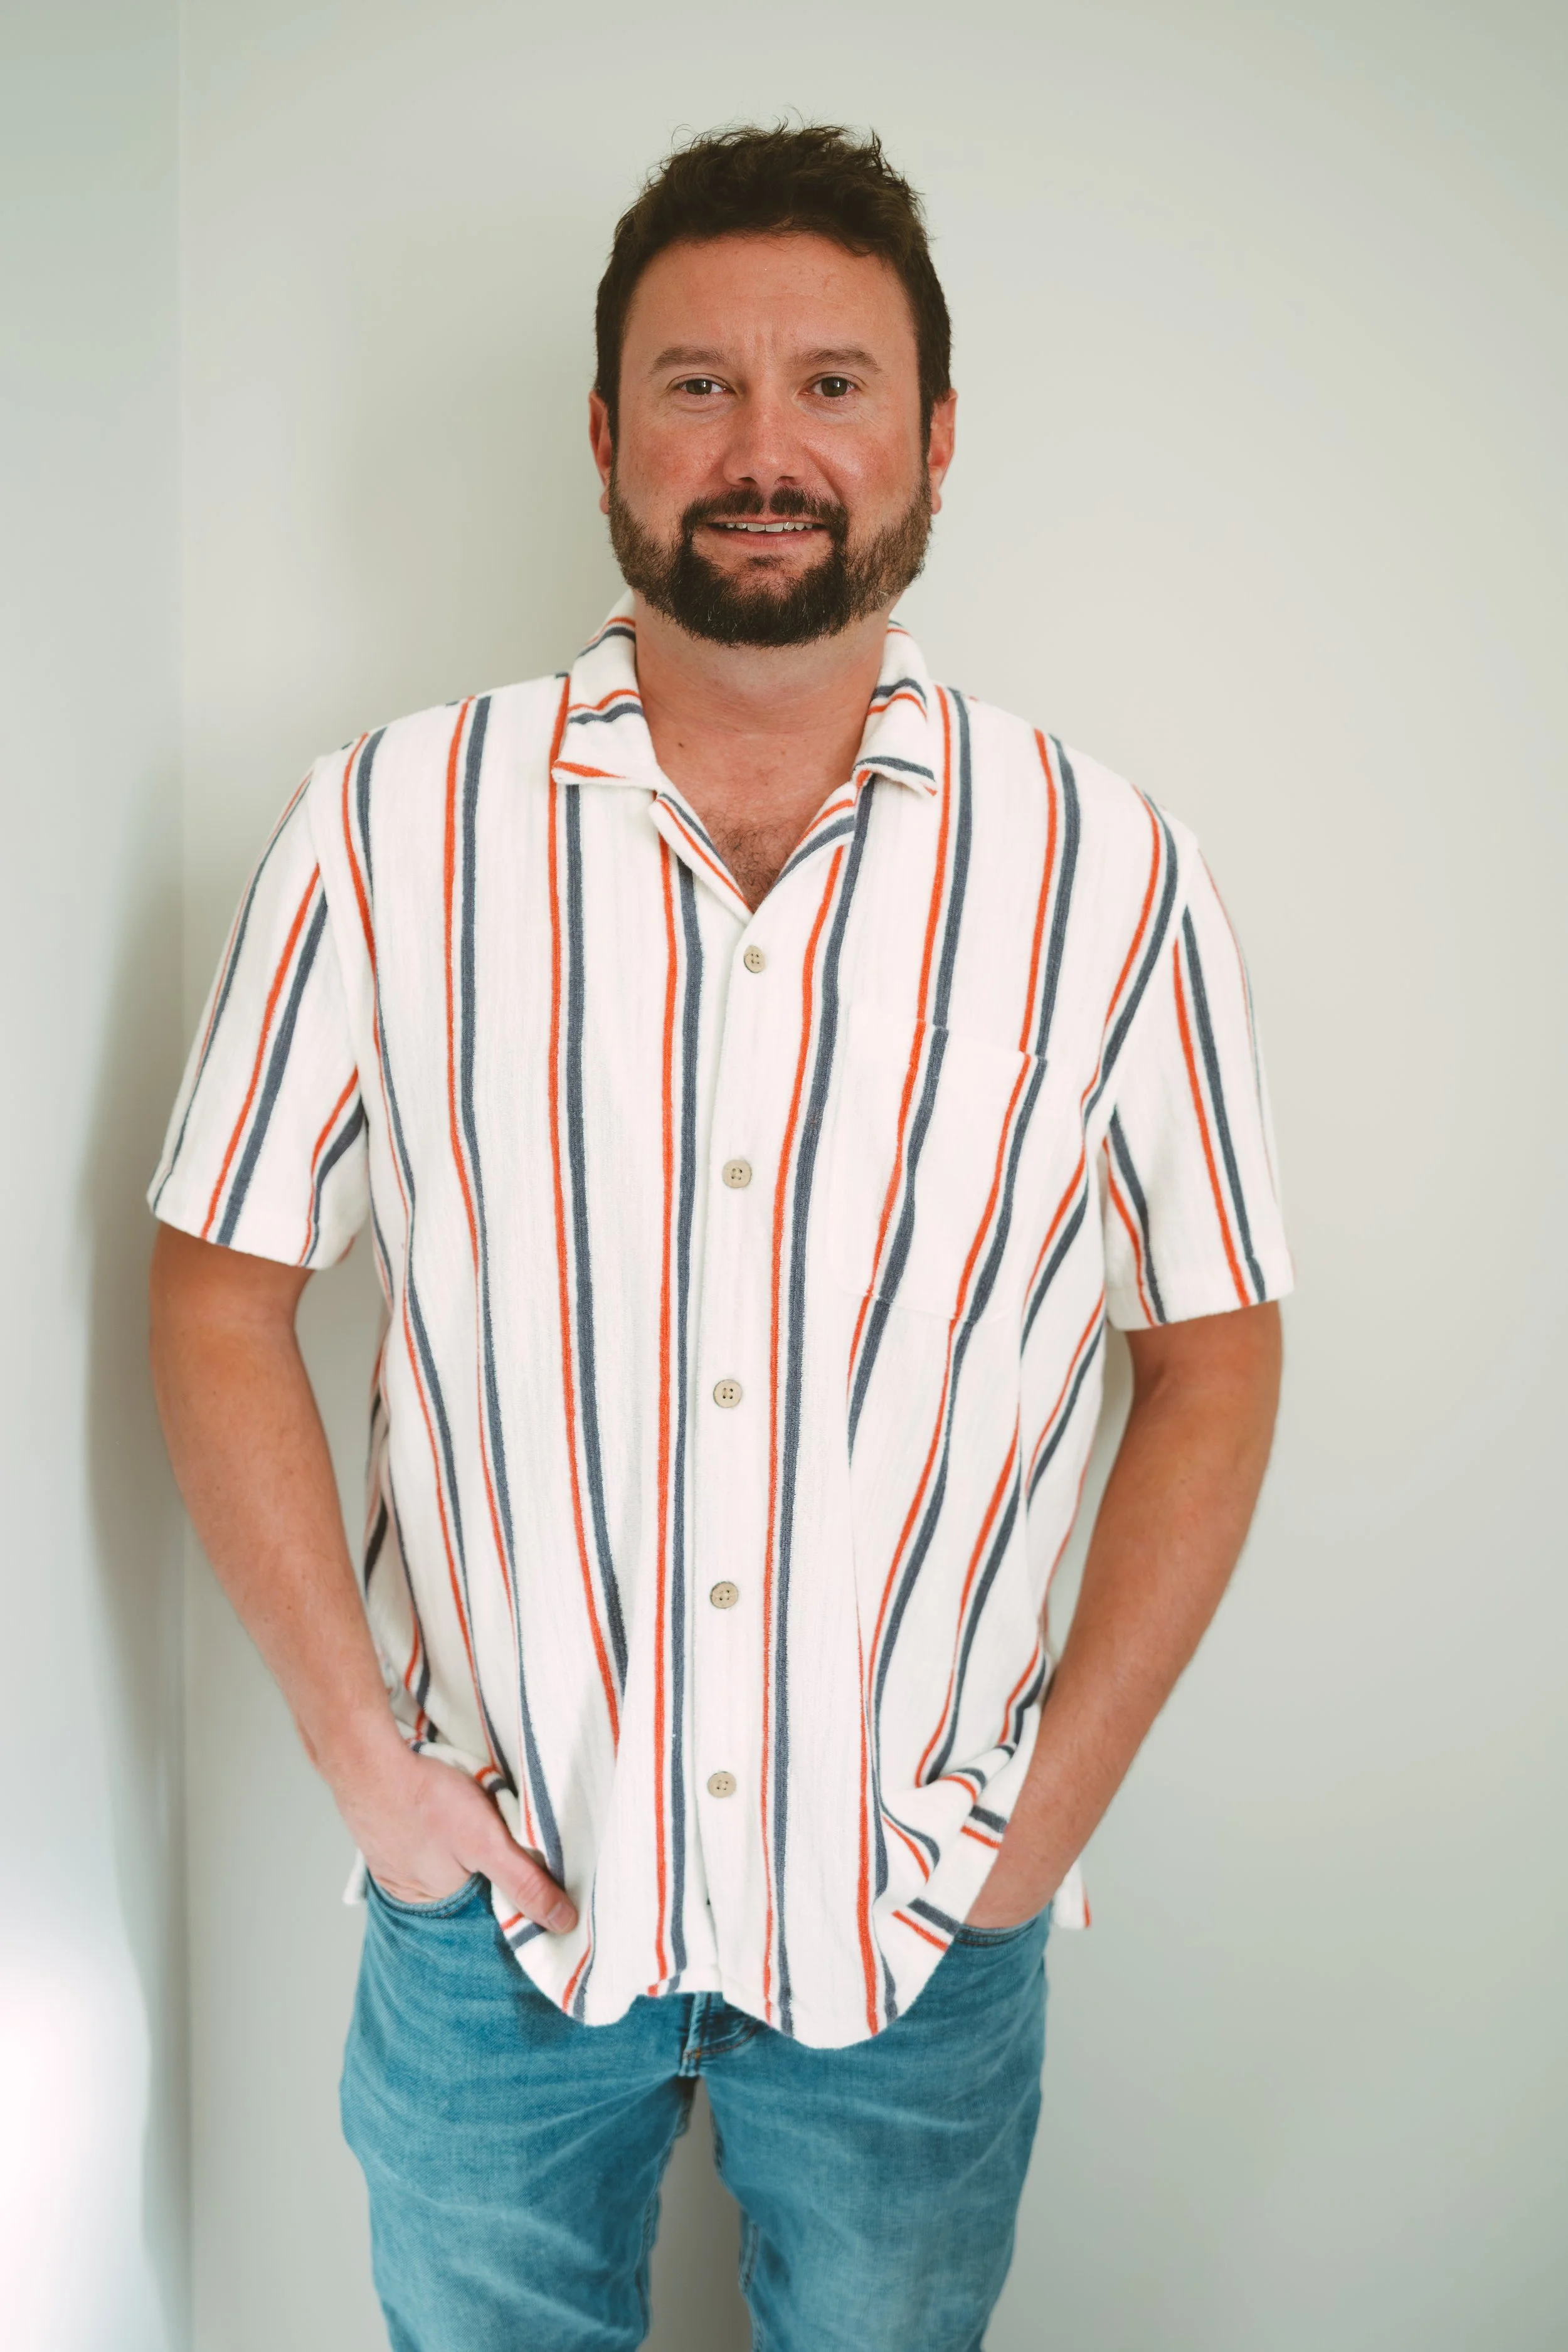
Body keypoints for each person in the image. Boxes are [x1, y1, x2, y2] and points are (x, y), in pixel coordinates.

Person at [148, 122, 1290, 2352]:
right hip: (492, 1928)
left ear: (933, 436)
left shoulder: (1104, 871)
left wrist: (1037, 1824)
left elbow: (1213, 1351)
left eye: (832, 385)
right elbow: (219, 1282)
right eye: (699, 385)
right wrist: (364, 1762)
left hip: (915, 1930)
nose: (767, 449)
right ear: (605, 435)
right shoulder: (383, 830)